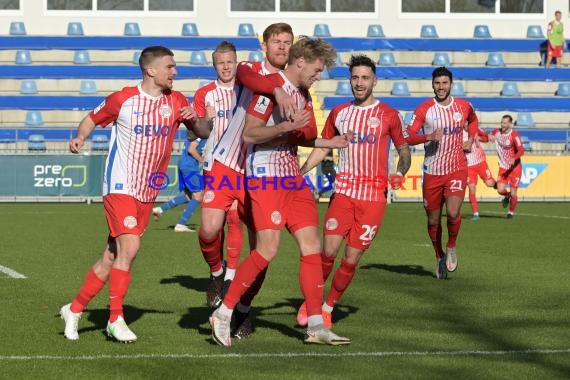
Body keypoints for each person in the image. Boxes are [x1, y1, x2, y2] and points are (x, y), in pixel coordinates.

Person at [209, 37, 352, 347]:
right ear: (299, 62)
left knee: (311, 246)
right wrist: (285, 128)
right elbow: (249, 133)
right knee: (267, 249)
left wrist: (327, 143)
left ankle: (316, 325)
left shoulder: (302, 93)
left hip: (292, 177)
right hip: (266, 176)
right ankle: (223, 312)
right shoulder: (268, 89)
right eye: (316, 69)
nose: (319, 75)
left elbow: (303, 135)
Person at [60, 46, 203, 342]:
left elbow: (202, 131)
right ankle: (115, 318)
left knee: (112, 256)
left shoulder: (176, 101)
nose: (175, 72)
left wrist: (198, 118)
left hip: (147, 190)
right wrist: (80, 137)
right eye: (170, 66)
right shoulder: (123, 99)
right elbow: (91, 118)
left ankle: (74, 310)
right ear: (151, 70)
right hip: (120, 184)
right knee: (131, 248)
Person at [295, 54, 411, 329]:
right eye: (355, 78)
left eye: (365, 78)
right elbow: (324, 146)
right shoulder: (339, 114)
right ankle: (312, 302)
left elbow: (404, 152)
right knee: (328, 252)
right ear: (350, 80)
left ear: (375, 81)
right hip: (344, 193)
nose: (359, 83)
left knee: (351, 257)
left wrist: (400, 171)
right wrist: (300, 171)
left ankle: (327, 307)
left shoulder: (389, 115)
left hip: (373, 199)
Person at [197, 23, 297, 338]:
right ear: (264, 45)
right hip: (227, 163)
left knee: (262, 250)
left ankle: (242, 310)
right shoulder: (250, 68)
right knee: (210, 228)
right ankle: (216, 275)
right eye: (276, 41)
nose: (282, 47)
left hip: (261, 173)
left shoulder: (296, 83)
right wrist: (276, 90)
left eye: (287, 42)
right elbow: (252, 79)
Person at [406, 67, 477, 280]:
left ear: (451, 84)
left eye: (445, 83)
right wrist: (427, 136)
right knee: (433, 221)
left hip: (456, 168)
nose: (441, 87)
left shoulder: (464, 106)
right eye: (437, 83)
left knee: (454, 212)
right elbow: (408, 135)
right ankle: (439, 256)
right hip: (433, 171)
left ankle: (452, 245)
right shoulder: (424, 109)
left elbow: (473, 121)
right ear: (432, 84)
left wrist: (471, 139)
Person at [192, 41, 245, 306]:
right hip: (214, 166)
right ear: (214, 65)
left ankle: (230, 279)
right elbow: (195, 132)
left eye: (230, 62)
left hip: (242, 166)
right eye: (220, 63)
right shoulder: (204, 94)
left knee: (236, 219)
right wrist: (205, 122)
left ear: (237, 62)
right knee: (210, 229)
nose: (226, 67)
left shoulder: (247, 90)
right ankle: (216, 270)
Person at [152, 131, 206, 232]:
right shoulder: (201, 133)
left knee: (189, 196)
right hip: (189, 167)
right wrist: (202, 160)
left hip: (184, 164)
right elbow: (191, 149)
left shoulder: (196, 131)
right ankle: (181, 224)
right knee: (199, 195)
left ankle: (160, 209)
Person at [488, 115, 524, 219]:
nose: (502, 125)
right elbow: (492, 133)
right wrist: (490, 135)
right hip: (503, 167)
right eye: (501, 122)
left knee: (514, 193)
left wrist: (514, 158)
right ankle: (506, 195)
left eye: (504, 123)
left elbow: (521, 150)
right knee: (500, 189)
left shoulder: (515, 135)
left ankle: (510, 212)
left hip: (515, 168)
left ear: (509, 124)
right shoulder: (498, 132)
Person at [465, 128, 496, 220]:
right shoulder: (457, 133)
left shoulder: (475, 128)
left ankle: (501, 189)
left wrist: (483, 137)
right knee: (471, 188)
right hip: (468, 166)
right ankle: (475, 214)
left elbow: (486, 138)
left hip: (480, 162)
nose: (466, 124)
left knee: (490, 183)